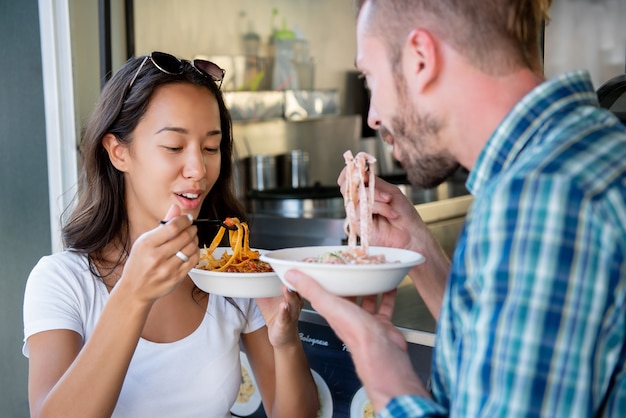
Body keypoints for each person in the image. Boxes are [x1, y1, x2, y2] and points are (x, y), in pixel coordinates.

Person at [285, 0, 626, 416]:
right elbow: (505, 347)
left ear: (421, 58)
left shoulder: (543, 198)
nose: (373, 117)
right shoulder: (582, 151)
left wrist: (384, 371)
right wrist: (419, 248)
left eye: (370, 79)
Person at [23, 51, 319, 418]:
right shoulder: (62, 281)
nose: (199, 168)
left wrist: (285, 339)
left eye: (211, 148)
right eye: (174, 147)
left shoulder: (228, 273)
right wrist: (133, 293)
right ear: (119, 152)